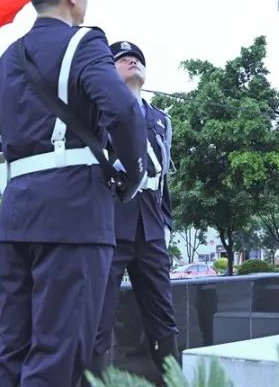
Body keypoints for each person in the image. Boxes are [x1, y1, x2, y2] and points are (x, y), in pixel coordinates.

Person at [0, 0, 147, 387]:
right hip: (74, 214)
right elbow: (124, 112)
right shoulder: (84, 43)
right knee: (58, 350)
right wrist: (131, 177)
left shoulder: (6, 60)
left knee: (11, 346)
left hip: (17, 212)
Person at [91, 41, 179, 381]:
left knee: (163, 316)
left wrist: (166, 223)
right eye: (123, 59)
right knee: (99, 315)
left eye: (137, 59)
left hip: (150, 226)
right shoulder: (97, 112)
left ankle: (171, 379)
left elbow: (163, 179)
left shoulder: (160, 120)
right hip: (110, 219)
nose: (133, 61)